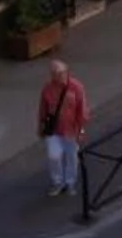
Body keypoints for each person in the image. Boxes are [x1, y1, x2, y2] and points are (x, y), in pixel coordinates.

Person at [37, 55, 88, 198]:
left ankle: (70, 182)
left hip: (71, 129)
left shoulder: (76, 87)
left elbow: (82, 109)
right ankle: (58, 182)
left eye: (58, 73)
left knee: (71, 157)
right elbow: (43, 108)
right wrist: (41, 125)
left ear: (66, 72)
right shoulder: (47, 89)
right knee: (54, 156)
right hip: (53, 130)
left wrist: (81, 129)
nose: (56, 77)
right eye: (53, 74)